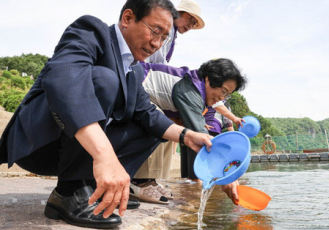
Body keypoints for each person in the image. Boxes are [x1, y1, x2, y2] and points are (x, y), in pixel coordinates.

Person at [0, 0, 237, 228]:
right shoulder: (91, 31)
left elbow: (148, 115)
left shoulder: (133, 69)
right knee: (104, 80)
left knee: (156, 127)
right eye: (155, 31)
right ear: (128, 18)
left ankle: (96, 188)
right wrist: (105, 156)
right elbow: (63, 81)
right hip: (41, 144)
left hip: (74, 153)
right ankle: (69, 192)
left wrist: (187, 136)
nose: (157, 44)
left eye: (164, 38)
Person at [133, 0, 205, 203]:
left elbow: (160, 63)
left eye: (193, 24)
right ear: (178, 12)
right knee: (162, 119)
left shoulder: (172, 35)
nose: (190, 26)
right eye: (189, 20)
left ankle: (148, 178)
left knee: (170, 123)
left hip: (146, 76)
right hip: (142, 77)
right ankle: (141, 180)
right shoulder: (167, 28)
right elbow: (153, 62)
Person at [135, 58, 246, 182]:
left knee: (172, 132)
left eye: (227, 95)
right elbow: (200, 135)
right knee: (162, 126)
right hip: (135, 87)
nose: (221, 98)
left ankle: (154, 180)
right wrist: (224, 172)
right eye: (223, 91)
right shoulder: (191, 90)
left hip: (148, 99)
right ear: (209, 79)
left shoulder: (199, 90)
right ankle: (142, 182)